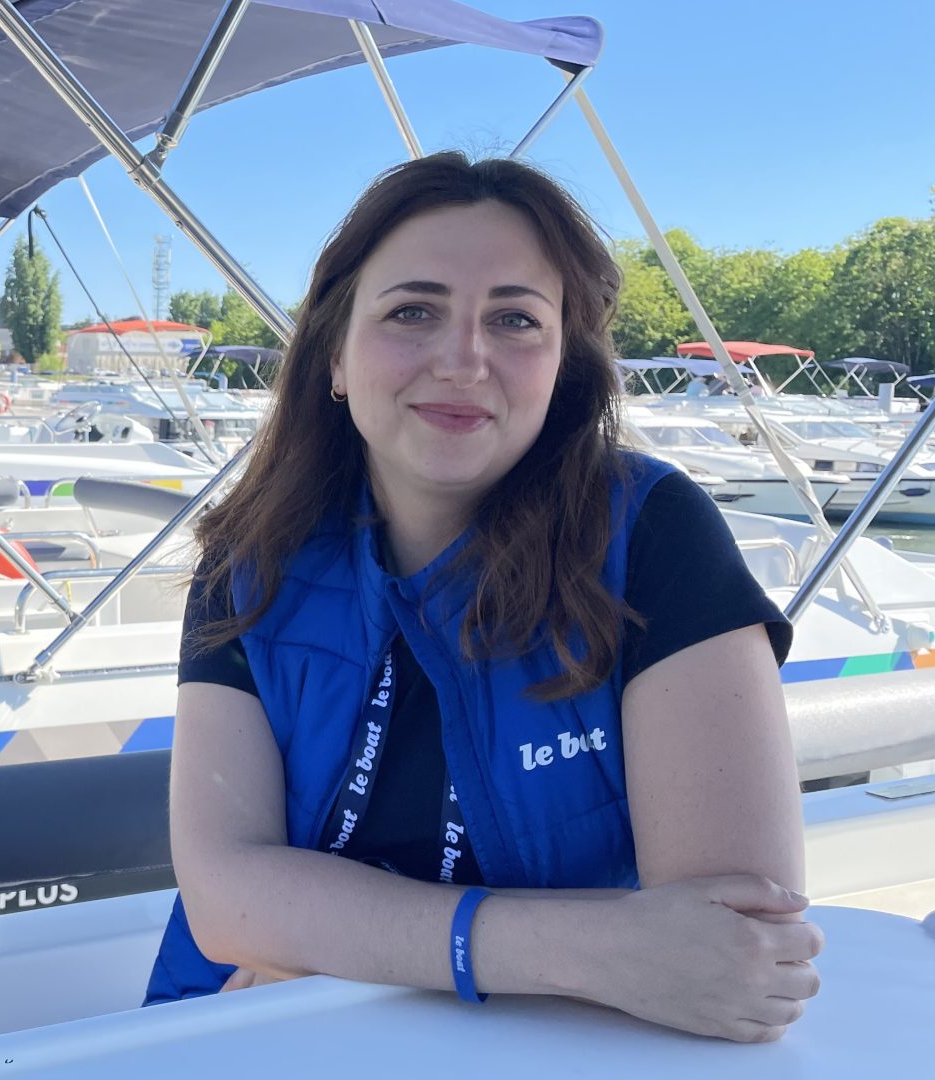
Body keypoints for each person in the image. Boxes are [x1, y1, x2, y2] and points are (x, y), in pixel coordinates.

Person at [148, 152, 822, 1043]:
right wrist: (591, 949)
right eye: (413, 311)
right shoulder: (249, 558)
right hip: (257, 1030)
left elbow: (731, 953)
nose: (464, 360)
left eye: (514, 319)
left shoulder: (653, 534)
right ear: (335, 359)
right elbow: (228, 900)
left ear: (561, 368)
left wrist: (319, 936)